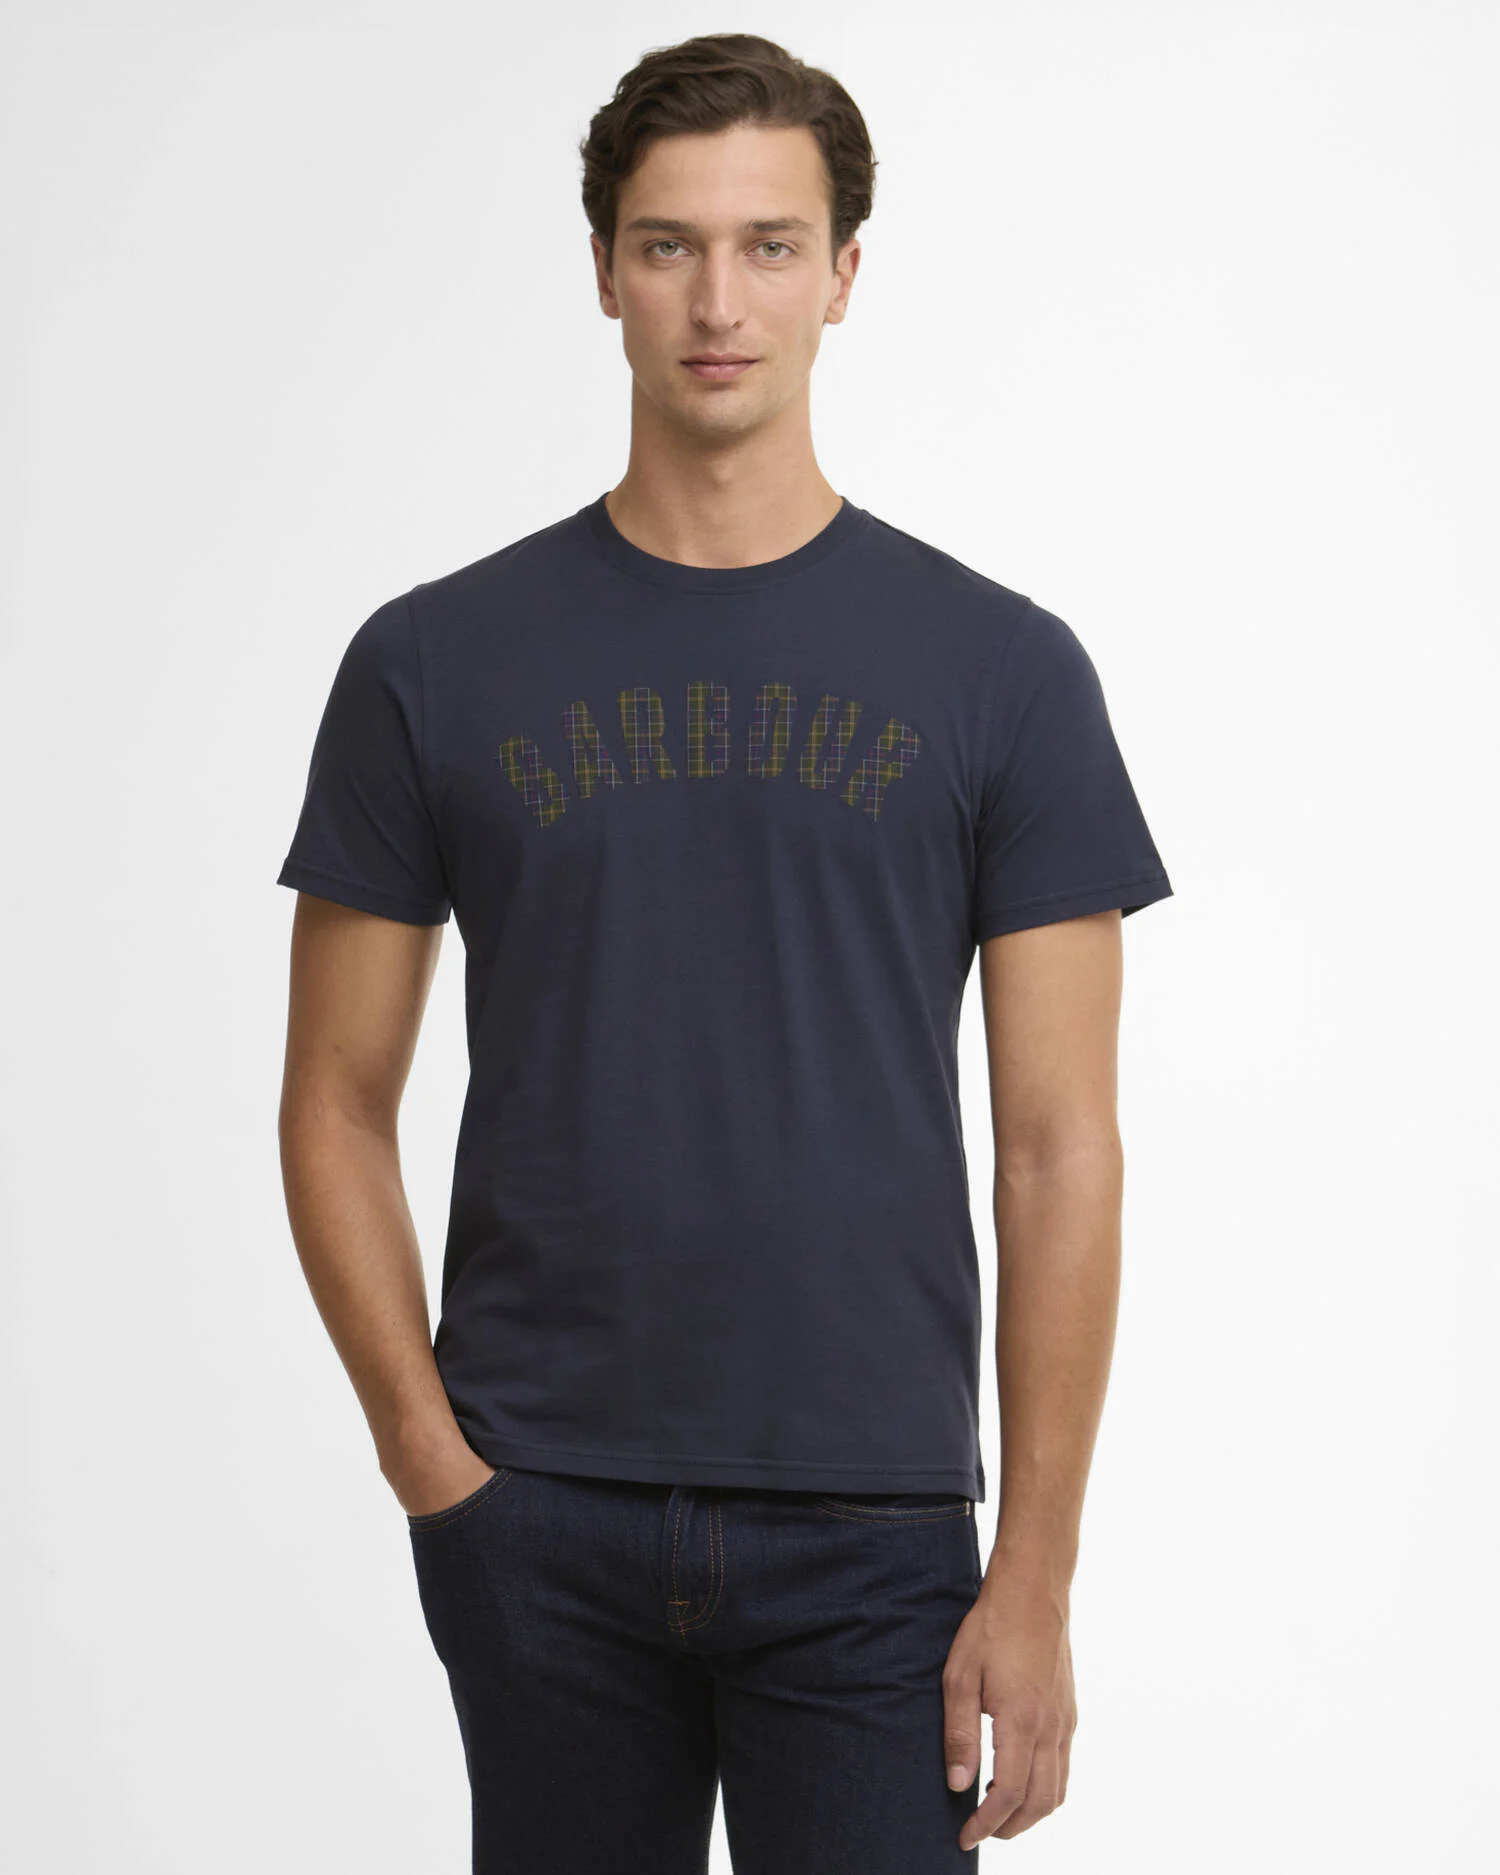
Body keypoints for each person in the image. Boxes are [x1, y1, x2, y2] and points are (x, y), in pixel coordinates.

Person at [275, 31, 1172, 1873]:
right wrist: (432, 1465)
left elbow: (1059, 1146)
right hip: (537, 1510)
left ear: (845, 275)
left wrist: (1036, 1568)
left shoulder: (1001, 670)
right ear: (604, 269)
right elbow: (333, 1103)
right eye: (670, 245)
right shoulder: (431, 662)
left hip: (875, 1530)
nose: (718, 301)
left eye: (771, 246)